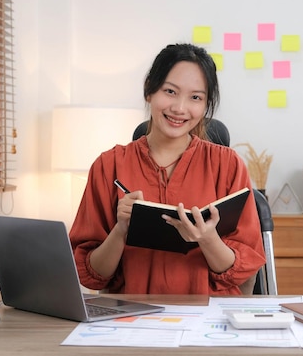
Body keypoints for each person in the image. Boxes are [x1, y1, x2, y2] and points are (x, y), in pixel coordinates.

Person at [69, 43, 266, 295]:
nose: (180, 108)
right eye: (170, 91)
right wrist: (121, 231)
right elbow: (92, 275)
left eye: (195, 97)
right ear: (149, 90)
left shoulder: (228, 165)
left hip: (208, 322)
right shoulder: (109, 166)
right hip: (131, 318)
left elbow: (243, 272)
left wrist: (207, 238)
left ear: (206, 105)